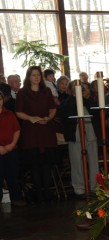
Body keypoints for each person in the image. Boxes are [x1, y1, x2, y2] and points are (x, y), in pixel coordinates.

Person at [15, 66, 58, 204]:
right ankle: (38, 193)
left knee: (47, 164)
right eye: (33, 75)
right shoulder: (23, 92)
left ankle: (47, 192)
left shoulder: (46, 91)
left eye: (38, 75)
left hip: (46, 129)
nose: (36, 77)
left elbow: (53, 108)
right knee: (35, 164)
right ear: (28, 77)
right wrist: (30, 118)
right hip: (31, 130)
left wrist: (49, 118)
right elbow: (18, 111)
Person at [57, 81, 100, 198]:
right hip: (75, 136)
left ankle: (95, 187)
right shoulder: (68, 102)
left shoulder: (89, 101)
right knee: (77, 163)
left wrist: (85, 97)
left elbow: (96, 111)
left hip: (90, 134)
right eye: (77, 88)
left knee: (93, 161)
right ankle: (79, 188)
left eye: (82, 88)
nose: (80, 90)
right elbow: (62, 113)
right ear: (71, 90)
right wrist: (75, 98)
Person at [0, 90, 26, 207]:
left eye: (0, 99)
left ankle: (16, 197)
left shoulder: (9, 114)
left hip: (11, 149)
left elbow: (17, 130)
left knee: (13, 175)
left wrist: (12, 144)